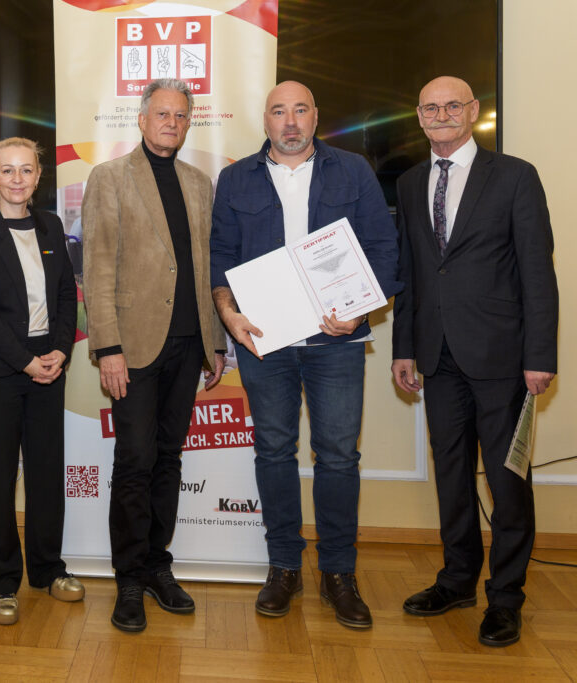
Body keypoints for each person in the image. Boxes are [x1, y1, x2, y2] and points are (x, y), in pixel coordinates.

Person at [210, 81, 401, 629]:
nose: (290, 122)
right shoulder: (235, 178)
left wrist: (364, 310)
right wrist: (229, 314)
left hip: (335, 343)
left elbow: (383, 249)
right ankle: (284, 568)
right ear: (264, 120)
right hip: (263, 343)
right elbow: (221, 255)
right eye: (278, 111)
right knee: (273, 452)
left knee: (339, 456)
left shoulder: (354, 171)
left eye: (300, 110)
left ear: (317, 117)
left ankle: (339, 573)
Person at [392, 76, 558, 648]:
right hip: (436, 357)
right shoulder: (411, 183)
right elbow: (414, 274)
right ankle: (458, 580)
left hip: (502, 358)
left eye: (452, 106)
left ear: (473, 112)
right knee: (452, 477)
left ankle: (506, 598)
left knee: (508, 484)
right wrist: (404, 347)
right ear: (419, 116)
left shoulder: (514, 176)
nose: (441, 114)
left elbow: (539, 272)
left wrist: (540, 355)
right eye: (430, 107)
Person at [82, 78, 226, 633]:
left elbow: (205, 267)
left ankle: (158, 565)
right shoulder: (109, 178)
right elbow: (96, 268)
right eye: (162, 113)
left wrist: (214, 341)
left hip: (189, 345)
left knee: (169, 459)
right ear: (141, 120)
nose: (171, 122)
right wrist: (108, 348)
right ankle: (129, 579)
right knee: (135, 461)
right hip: (134, 347)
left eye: (180, 115)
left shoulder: (198, 183)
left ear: (190, 124)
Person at [0, 137, 83, 625]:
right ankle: (0, 583)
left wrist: (61, 351)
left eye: (25, 170)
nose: (16, 179)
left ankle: (49, 571)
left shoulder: (50, 225)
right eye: (6, 170)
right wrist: (25, 361)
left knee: (48, 476)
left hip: (48, 369)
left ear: (37, 175)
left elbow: (68, 297)